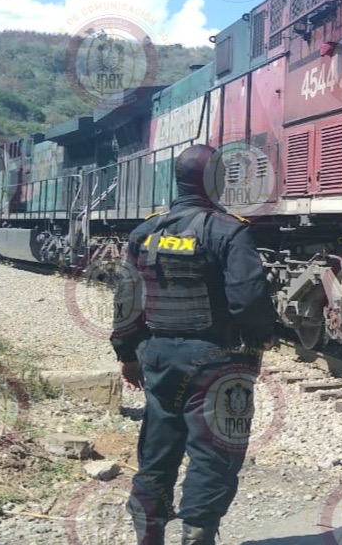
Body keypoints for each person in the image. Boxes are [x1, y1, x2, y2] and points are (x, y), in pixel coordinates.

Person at [111, 144, 278, 545]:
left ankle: (148, 529)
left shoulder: (145, 231)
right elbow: (248, 298)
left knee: (158, 441)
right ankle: (197, 533)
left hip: (159, 357)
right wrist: (256, 344)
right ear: (216, 181)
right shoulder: (228, 231)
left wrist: (126, 354)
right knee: (213, 452)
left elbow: (126, 300)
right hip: (216, 360)